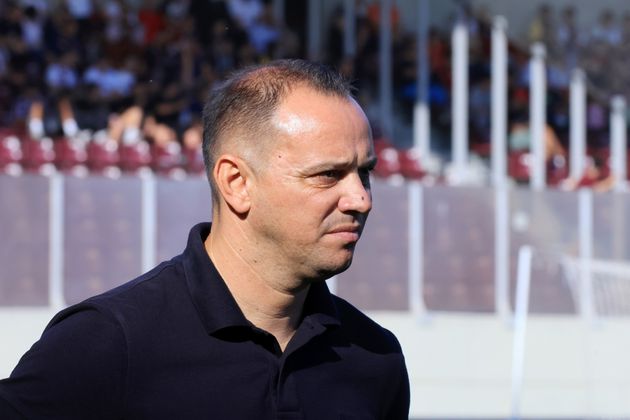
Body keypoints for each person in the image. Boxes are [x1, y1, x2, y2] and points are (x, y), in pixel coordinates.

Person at [0, 59, 410, 419]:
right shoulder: (106, 343)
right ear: (236, 182)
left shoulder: (376, 357)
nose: (361, 199)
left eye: (365, 173)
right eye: (328, 175)